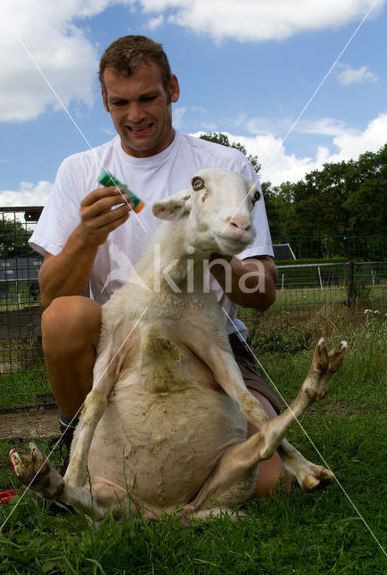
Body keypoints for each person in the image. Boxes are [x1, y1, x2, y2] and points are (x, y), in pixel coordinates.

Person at [30, 35, 288, 495]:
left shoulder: (224, 166)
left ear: (172, 88)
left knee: (271, 483)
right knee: (66, 318)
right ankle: (82, 445)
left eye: (148, 97)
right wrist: (85, 237)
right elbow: (51, 295)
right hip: (122, 337)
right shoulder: (78, 169)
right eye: (120, 103)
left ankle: (177, 458)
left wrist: (208, 251)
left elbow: (263, 292)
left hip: (206, 336)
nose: (135, 115)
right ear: (105, 102)